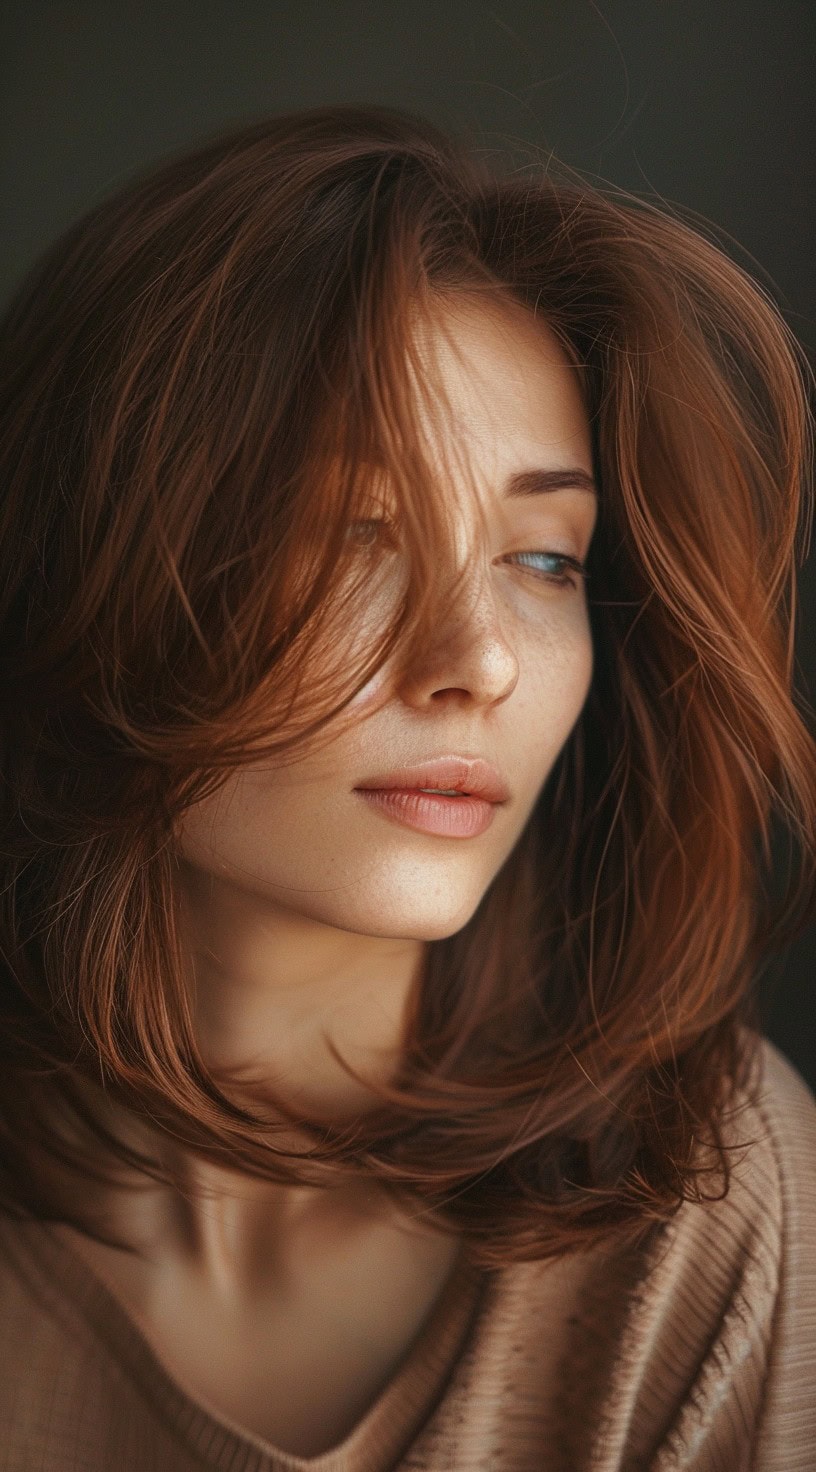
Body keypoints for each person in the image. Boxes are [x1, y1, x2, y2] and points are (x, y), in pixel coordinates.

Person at [0, 103, 814, 1471]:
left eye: (545, 559)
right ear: (90, 555)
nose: (479, 661)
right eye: (354, 534)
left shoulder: (715, 1198)